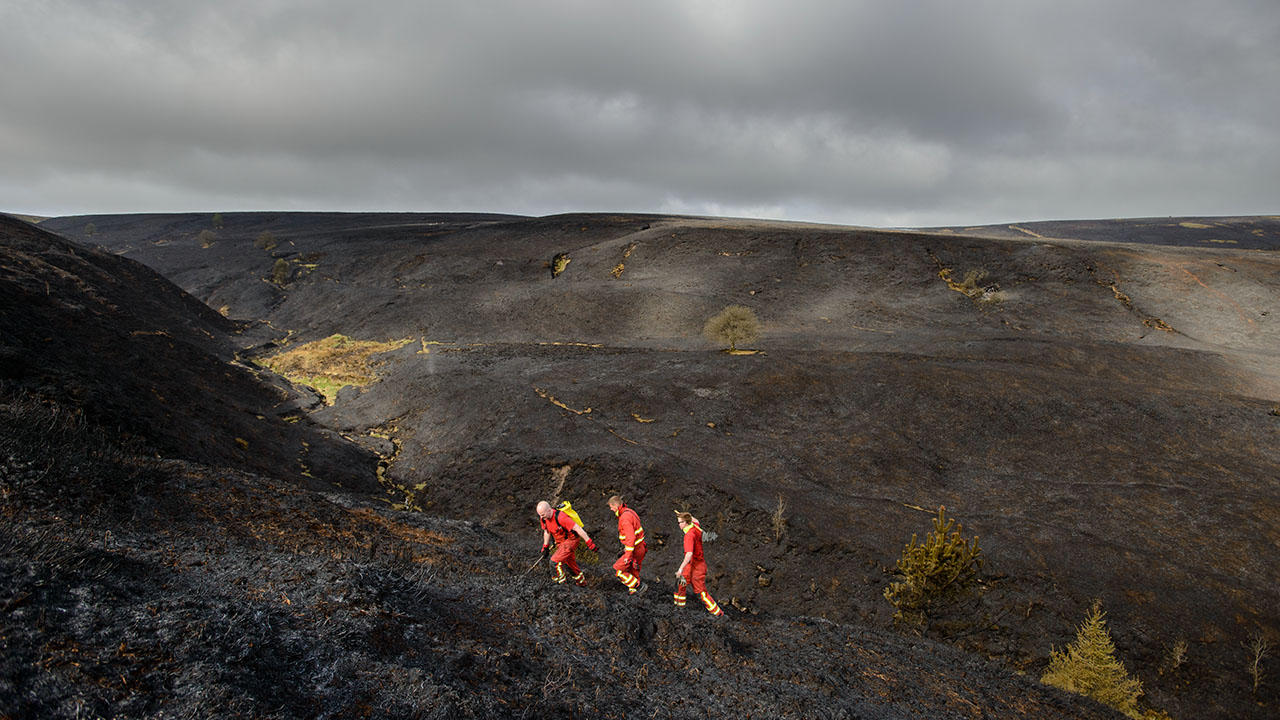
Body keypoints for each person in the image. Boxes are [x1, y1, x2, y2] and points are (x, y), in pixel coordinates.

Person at [537, 500, 598, 586]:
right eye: (540, 515)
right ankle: (582, 583)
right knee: (570, 564)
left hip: (571, 540)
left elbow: (578, 528)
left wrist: (589, 542)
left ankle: (560, 584)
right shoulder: (544, 519)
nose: (542, 517)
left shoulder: (561, 517)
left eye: (543, 515)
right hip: (560, 543)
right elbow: (547, 531)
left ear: (549, 510)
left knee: (554, 562)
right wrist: (545, 546)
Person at [673, 511, 723, 616]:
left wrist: (680, 569)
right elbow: (696, 520)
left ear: (686, 522)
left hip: (696, 566)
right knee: (681, 584)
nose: (679, 525)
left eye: (680, 522)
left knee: (701, 592)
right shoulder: (695, 526)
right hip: (694, 564)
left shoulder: (689, 536)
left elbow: (689, 555)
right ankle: (679, 608)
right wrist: (687, 515)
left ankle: (718, 614)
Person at [607, 495, 647, 595]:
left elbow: (631, 537)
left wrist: (628, 555)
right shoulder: (630, 512)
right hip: (640, 547)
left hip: (634, 550)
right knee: (633, 571)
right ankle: (633, 593)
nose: (611, 509)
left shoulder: (624, 518)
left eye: (611, 507)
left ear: (616, 505)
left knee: (619, 571)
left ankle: (639, 586)